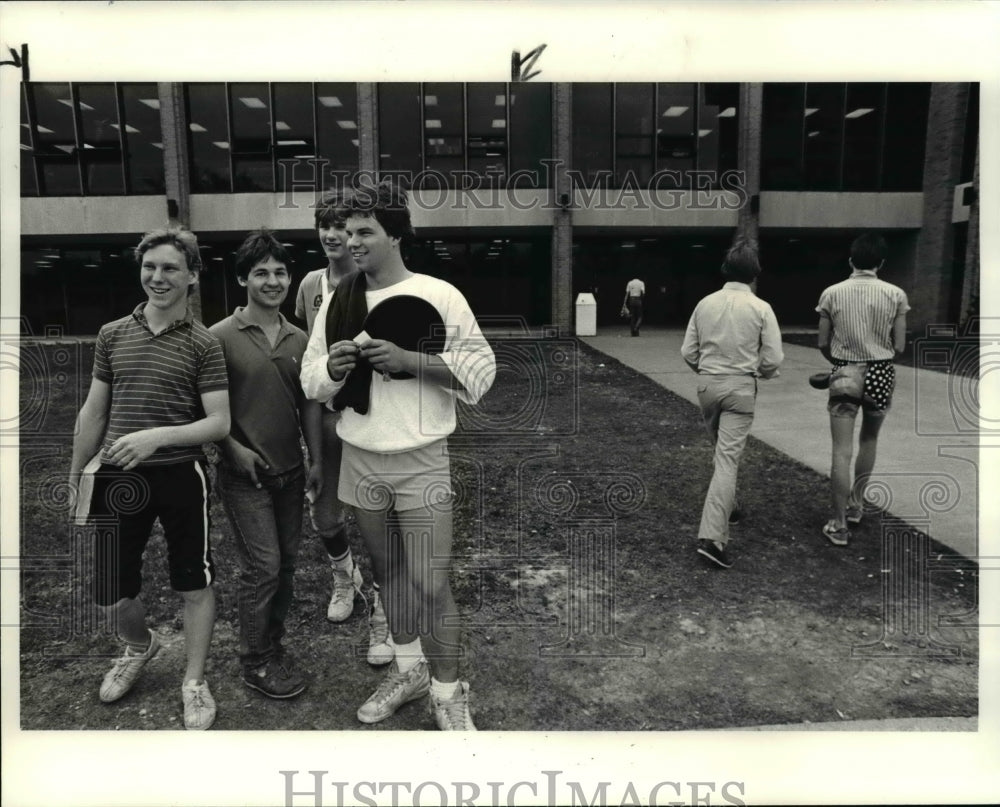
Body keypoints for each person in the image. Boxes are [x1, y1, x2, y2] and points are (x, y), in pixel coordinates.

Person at [301, 183, 496, 730]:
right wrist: (334, 370)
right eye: (348, 233)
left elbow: (483, 372)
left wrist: (412, 360)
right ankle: (409, 669)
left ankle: (449, 691)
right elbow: (310, 379)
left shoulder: (440, 294)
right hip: (361, 458)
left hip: (421, 460)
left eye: (365, 232)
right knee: (391, 578)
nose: (352, 242)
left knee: (430, 581)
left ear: (395, 234)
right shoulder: (338, 301)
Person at [67, 227, 230, 730]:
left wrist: (157, 436)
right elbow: (94, 411)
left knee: (192, 581)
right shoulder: (113, 333)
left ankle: (194, 682)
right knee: (110, 589)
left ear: (192, 277)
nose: (158, 278)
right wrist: (77, 473)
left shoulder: (204, 344)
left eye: (170, 269)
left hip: (181, 474)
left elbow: (218, 423)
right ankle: (140, 645)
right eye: (150, 267)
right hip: (118, 476)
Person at [209, 229, 320, 699]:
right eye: (261, 273)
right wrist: (232, 449)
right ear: (242, 280)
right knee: (264, 568)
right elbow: (207, 409)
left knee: (288, 564)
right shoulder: (218, 337)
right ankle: (254, 660)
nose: (272, 281)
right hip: (243, 476)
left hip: (291, 473)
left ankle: (271, 647)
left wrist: (314, 457)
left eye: (280, 272)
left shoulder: (301, 338)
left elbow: (310, 404)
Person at [295, 192, 393, 666]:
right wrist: (312, 447)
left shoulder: (376, 280)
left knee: (379, 515)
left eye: (345, 227)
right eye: (328, 225)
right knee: (326, 511)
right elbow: (307, 362)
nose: (335, 235)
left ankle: (383, 604)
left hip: (371, 410)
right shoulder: (311, 285)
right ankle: (343, 576)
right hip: (324, 405)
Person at [680, 238, 783, 569]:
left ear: (726, 269)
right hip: (740, 387)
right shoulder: (761, 308)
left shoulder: (705, 303)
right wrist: (762, 373)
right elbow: (772, 359)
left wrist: (706, 370)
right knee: (727, 460)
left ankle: (730, 504)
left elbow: (688, 352)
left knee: (720, 452)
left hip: (708, 385)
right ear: (755, 272)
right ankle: (713, 538)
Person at [816, 233, 908, 546]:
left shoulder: (832, 293)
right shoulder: (895, 295)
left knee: (841, 450)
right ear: (881, 262)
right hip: (880, 371)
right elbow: (900, 346)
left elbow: (822, 343)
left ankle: (838, 524)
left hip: (844, 371)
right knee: (869, 439)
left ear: (851, 260)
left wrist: (840, 363)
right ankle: (856, 505)